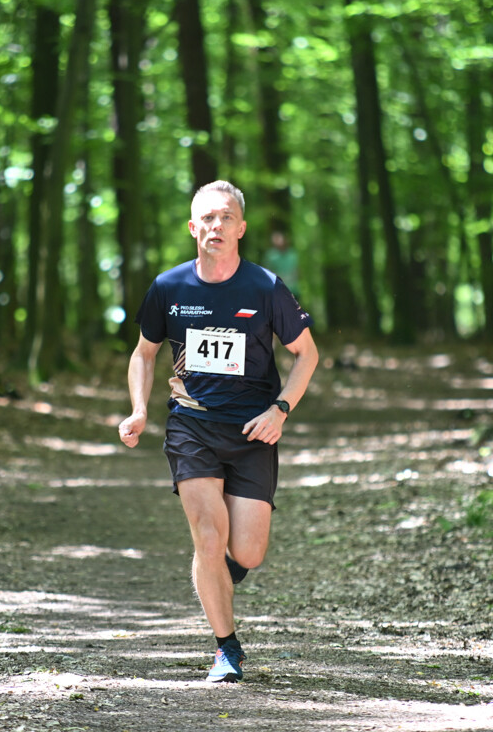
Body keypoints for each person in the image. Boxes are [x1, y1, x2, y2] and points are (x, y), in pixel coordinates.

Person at [118, 180, 319, 683]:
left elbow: (307, 355)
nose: (216, 226)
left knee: (247, 551)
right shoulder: (169, 288)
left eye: (226, 217)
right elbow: (144, 354)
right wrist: (139, 410)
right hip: (192, 425)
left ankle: (214, 583)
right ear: (192, 228)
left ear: (241, 228)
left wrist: (280, 410)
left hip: (254, 430)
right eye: (206, 218)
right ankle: (226, 649)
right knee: (210, 536)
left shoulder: (266, 287)